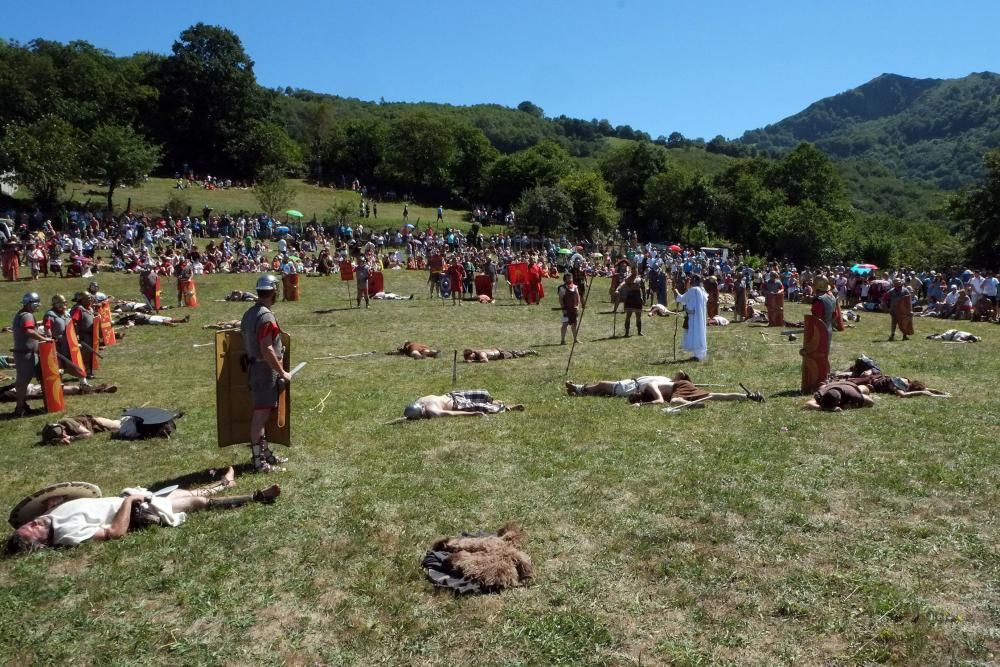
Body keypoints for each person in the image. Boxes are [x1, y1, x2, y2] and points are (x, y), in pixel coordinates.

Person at [4, 469, 280, 555]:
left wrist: (54, 504)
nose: (36, 522)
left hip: (135, 499)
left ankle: (223, 483)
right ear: (40, 541)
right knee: (195, 502)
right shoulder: (67, 533)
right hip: (137, 511)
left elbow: (70, 504)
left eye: (29, 523)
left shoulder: (54, 517)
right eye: (34, 528)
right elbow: (115, 532)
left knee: (186, 494)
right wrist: (130, 501)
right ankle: (257, 496)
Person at [239, 275, 291, 473]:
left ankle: (265, 453)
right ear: (274, 292)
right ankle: (258, 462)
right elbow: (267, 348)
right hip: (263, 370)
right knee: (260, 416)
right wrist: (282, 372)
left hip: (256, 368)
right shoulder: (265, 316)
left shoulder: (250, 313)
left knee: (263, 414)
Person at [12, 292, 51, 417]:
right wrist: (43, 339)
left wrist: (41, 336)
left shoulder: (23, 314)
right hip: (25, 354)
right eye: (36, 303)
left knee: (25, 381)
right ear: (30, 304)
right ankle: (19, 408)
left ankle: (23, 406)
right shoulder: (27, 315)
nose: (38, 306)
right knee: (23, 381)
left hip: (27, 353)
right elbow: (28, 331)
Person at [627, 371, 764, 406]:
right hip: (681, 387)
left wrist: (642, 405)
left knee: (675, 401)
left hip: (680, 386)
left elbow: (660, 401)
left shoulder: (650, 385)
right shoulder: (648, 392)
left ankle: (693, 405)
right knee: (714, 395)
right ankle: (749, 396)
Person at [402, 390, 524, 420]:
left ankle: (494, 401)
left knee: (484, 394)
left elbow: (404, 417)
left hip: (454, 395)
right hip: (458, 404)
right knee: (486, 408)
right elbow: (452, 413)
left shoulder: (420, 402)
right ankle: (508, 408)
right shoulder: (431, 410)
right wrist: (472, 414)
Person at [675, 274, 708, 361]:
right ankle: (699, 354)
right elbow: (706, 299)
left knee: (694, 332)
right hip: (700, 315)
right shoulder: (702, 290)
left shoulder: (693, 290)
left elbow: (682, 299)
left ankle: (697, 354)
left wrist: (677, 292)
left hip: (693, 315)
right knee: (699, 331)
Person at [804, 380, 874, 411]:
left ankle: (868, 387)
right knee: (822, 387)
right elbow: (808, 404)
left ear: (839, 402)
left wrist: (848, 406)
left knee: (862, 389)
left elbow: (870, 402)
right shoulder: (820, 394)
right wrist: (823, 408)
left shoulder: (852, 395)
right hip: (831, 385)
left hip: (849, 385)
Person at [617, 272, 646, 337]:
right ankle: (627, 332)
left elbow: (643, 290)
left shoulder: (640, 279)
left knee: (638, 316)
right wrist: (617, 290)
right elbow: (622, 284)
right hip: (629, 298)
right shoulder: (628, 279)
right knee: (628, 316)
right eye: (633, 269)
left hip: (637, 298)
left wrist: (644, 299)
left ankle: (639, 332)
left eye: (635, 269)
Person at [558, 273, 581, 345]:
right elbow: (561, 299)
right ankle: (562, 340)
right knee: (565, 324)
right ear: (565, 279)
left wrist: (578, 306)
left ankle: (575, 339)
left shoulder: (575, 287)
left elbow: (578, 297)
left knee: (575, 324)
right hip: (566, 310)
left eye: (570, 278)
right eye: (568, 278)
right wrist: (563, 309)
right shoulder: (562, 288)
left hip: (574, 309)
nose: (569, 279)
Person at [463, 348, 538, 363]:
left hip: (502, 355)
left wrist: (473, 361)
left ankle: (531, 351)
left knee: (518, 354)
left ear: (472, 353)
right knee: (516, 353)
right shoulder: (476, 353)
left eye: (469, 357)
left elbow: (485, 360)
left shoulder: (481, 354)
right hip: (498, 352)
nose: (469, 358)